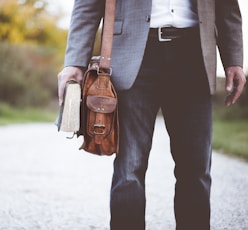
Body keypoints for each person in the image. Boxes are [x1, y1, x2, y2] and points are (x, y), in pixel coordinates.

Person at [57, 0, 246, 229]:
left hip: (195, 54)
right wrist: (74, 62)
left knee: (196, 169)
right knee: (129, 168)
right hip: (133, 54)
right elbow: (87, 5)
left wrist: (234, 59)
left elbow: (227, 6)